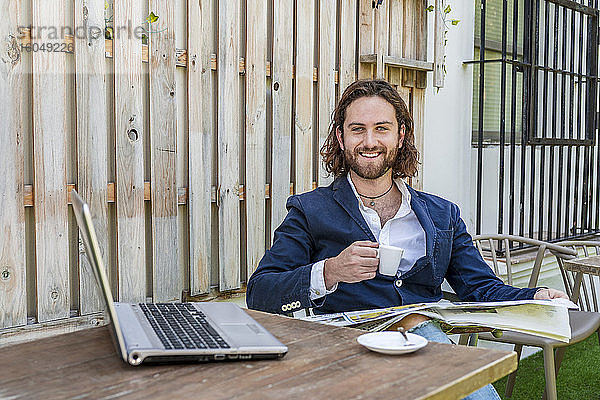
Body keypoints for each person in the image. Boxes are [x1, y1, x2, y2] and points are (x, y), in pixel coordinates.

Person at [246, 79, 567, 399]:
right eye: (357, 129)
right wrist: (329, 271)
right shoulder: (309, 209)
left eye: (381, 128)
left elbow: (480, 286)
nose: (369, 141)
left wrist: (534, 296)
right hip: (339, 346)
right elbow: (261, 292)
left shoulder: (443, 215)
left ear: (400, 136)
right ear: (341, 139)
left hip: (420, 339)